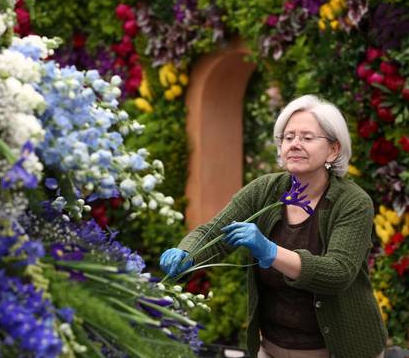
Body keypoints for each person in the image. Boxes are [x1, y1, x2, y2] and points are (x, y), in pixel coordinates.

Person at [160, 95, 387, 358]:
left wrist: (270, 251)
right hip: (272, 349)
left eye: (307, 137)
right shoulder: (264, 190)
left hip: (344, 351)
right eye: (288, 137)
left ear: (333, 149)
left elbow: (338, 273)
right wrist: (187, 254)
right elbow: (213, 233)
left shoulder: (353, 202)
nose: (295, 144)